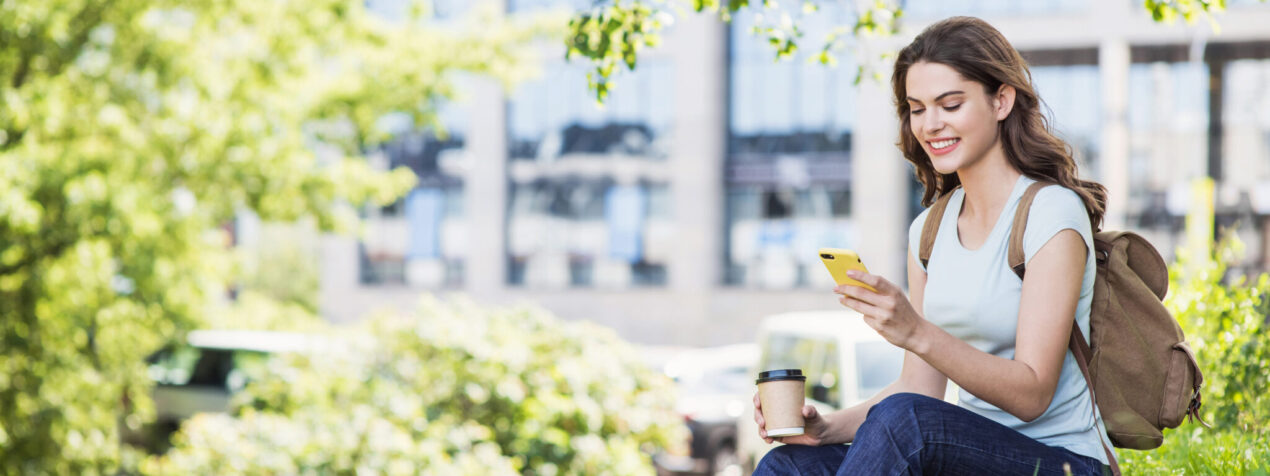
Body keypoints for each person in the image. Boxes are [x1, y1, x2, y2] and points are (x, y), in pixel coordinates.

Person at [751, 16, 1116, 476]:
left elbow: (1032, 394)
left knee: (906, 420)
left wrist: (917, 331)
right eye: (917, 108)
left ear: (1001, 100)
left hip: (1061, 460)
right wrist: (824, 429)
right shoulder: (929, 230)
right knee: (789, 464)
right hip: (960, 451)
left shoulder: (1050, 213)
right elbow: (920, 389)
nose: (931, 124)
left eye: (950, 104)